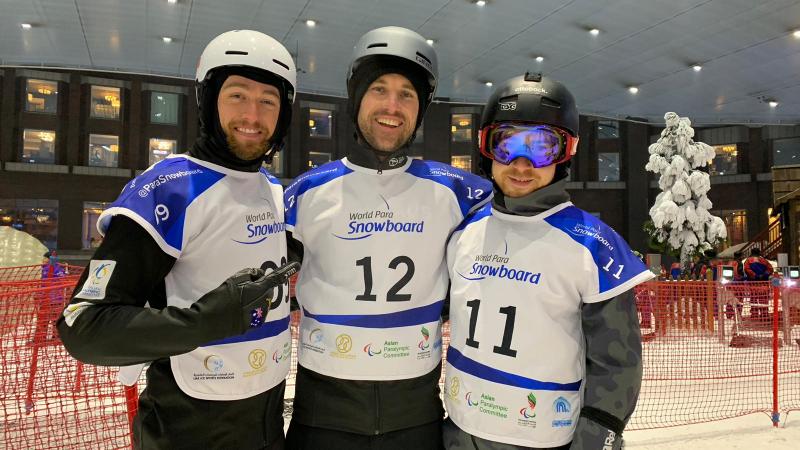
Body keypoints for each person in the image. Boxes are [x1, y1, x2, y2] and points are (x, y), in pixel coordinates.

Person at [57, 30, 298, 450]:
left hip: (265, 423)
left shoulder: (272, 191)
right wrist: (205, 320)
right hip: (187, 429)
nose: (253, 116)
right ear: (208, 102)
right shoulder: (169, 189)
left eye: (268, 101)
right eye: (237, 95)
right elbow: (84, 326)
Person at [283, 26, 492, 450]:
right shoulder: (306, 193)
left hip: (415, 418)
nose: (392, 106)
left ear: (421, 108)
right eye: (379, 89)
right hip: (323, 417)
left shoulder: (458, 192)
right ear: (357, 97)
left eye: (407, 94)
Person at [443, 73, 653, 450]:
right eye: (507, 146)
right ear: (486, 148)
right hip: (461, 433)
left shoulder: (592, 247)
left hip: (543, 438)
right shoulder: (464, 231)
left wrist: (598, 436)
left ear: (565, 153)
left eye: (541, 148)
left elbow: (617, 362)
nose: (522, 165)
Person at [743, 247, 774, 322]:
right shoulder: (764, 260)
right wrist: (764, 275)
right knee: (763, 300)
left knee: (754, 300)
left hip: (753, 284)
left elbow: (747, 269)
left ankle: (754, 315)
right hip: (763, 284)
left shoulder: (748, 260)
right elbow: (770, 269)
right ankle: (764, 315)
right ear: (759, 253)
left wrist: (755, 275)